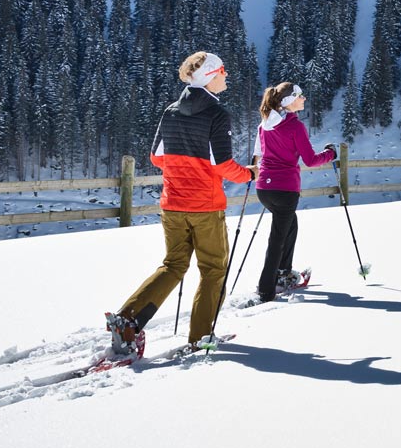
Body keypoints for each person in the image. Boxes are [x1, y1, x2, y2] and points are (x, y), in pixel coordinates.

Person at [103, 51, 254, 360]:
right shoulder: (217, 114)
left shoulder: (171, 110)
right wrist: (250, 173)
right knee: (213, 270)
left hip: (172, 204)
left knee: (173, 265)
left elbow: (157, 157)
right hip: (205, 207)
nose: (227, 77)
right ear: (211, 75)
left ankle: (129, 318)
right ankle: (201, 336)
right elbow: (223, 164)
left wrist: (184, 163)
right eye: (223, 71)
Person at [253, 82, 338, 302]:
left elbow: (260, 154)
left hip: (265, 188)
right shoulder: (294, 127)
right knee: (277, 238)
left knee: (290, 225)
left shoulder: (265, 124)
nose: (304, 99)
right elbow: (310, 160)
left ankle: (283, 273)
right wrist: (330, 154)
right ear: (289, 101)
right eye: (300, 96)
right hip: (285, 189)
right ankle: (267, 288)